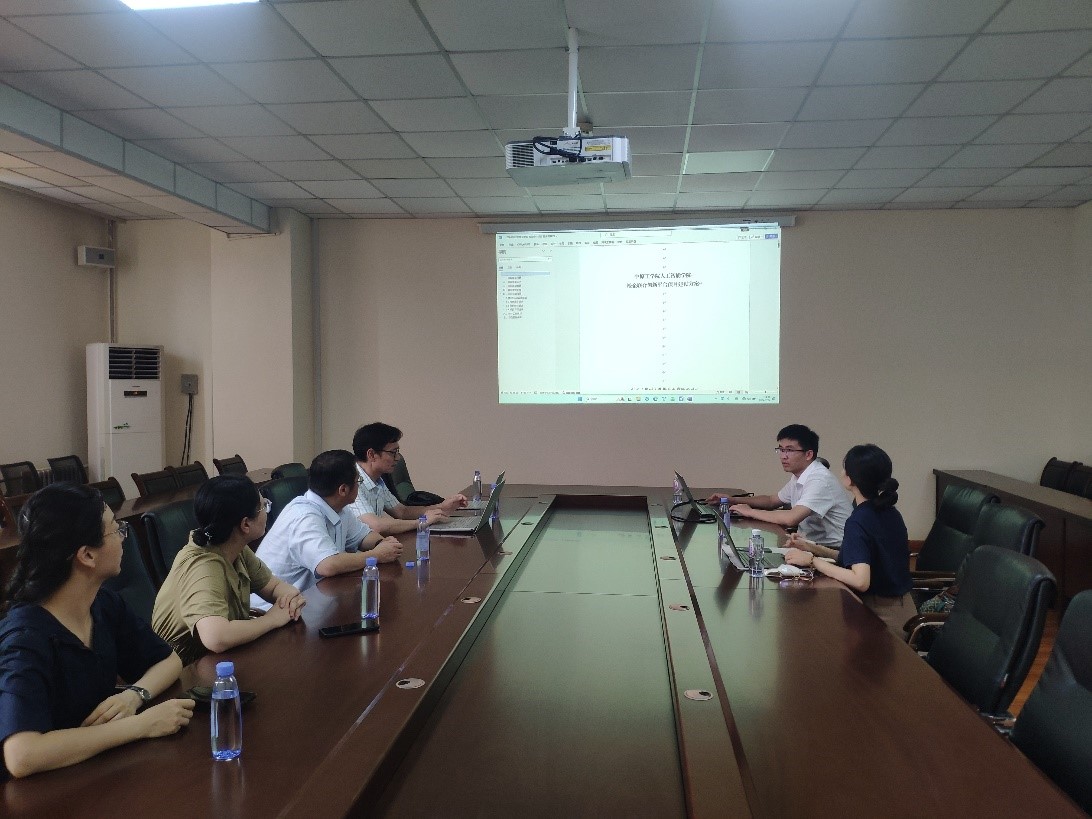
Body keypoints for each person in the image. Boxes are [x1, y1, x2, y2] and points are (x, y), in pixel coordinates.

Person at [0, 484, 194, 779]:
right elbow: (22, 755)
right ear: (87, 555)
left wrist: (134, 696)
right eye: (116, 530)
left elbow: (169, 661)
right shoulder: (25, 638)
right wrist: (140, 726)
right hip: (40, 790)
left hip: (93, 770)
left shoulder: (102, 604)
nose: (123, 537)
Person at [151, 475, 307, 667]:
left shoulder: (234, 547)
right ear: (245, 524)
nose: (267, 511)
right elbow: (216, 638)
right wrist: (272, 619)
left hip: (217, 661)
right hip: (182, 671)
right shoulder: (203, 567)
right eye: (263, 506)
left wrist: (290, 598)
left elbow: (273, 586)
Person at [784, 444, 912, 634]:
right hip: (902, 609)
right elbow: (857, 558)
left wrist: (812, 561)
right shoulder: (889, 512)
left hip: (882, 617)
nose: (841, 471)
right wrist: (812, 548)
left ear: (851, 479)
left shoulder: (859, 520)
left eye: (845, 467)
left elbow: (860, 580)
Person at [253, 450, 402, 606]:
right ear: (343, 490)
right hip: (274, 609)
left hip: (311, 602)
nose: (359, 485)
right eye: (358, 481)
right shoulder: (304, 516)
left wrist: (382, 544)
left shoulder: (339, 508)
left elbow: (363, 536)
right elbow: (327, 565)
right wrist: (376, 555)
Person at [707, 424, 851, 550]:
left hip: (835, 552)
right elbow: (772, 500)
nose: (783, 456)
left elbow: (791, 518)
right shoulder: (800, 475)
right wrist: (733, 500)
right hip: (810, 545)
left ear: (808, 454)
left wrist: (750, 512)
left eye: (789, 450)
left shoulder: (819, 479)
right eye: (781, 449)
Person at [347, 422, 468, 535]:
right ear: (371, 454)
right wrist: (421, 522)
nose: (398, 457)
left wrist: (441, 507)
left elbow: (402, 512)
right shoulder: (352, 481)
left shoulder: (377, 480)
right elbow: (376, 525)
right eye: (393, 452)